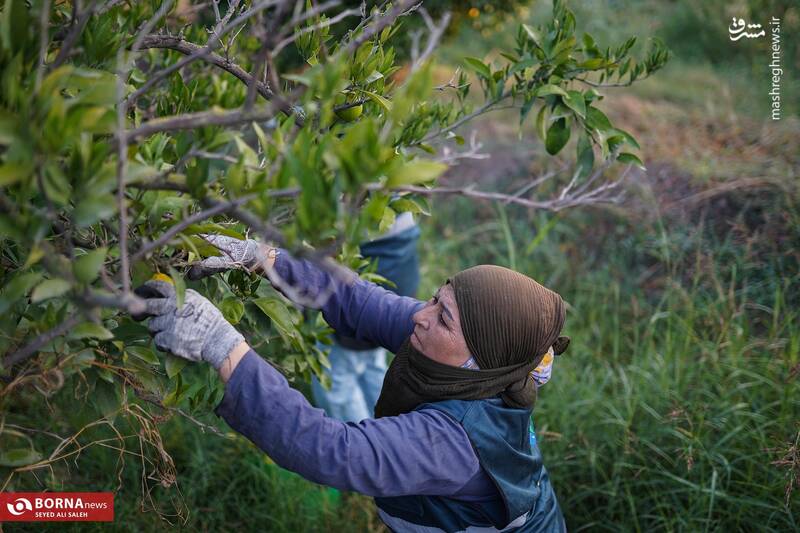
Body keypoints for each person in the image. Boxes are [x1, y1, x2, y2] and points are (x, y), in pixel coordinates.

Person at [135, 234, 571, 532]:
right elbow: (359, 300)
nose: (421, 314)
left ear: (481, 359)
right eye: (437, 298)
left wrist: (222, 346)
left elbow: (332, 451)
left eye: (443, 317)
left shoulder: (453, 445)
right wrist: (263, 257)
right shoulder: (475, 355)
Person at [311, 212, 421, 422]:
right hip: (400, 279)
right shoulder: (394, 187)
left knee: (337, 384)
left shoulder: (351, 189)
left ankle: (364, 446)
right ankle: (388, 431)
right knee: (372, 361)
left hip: (366, 289)